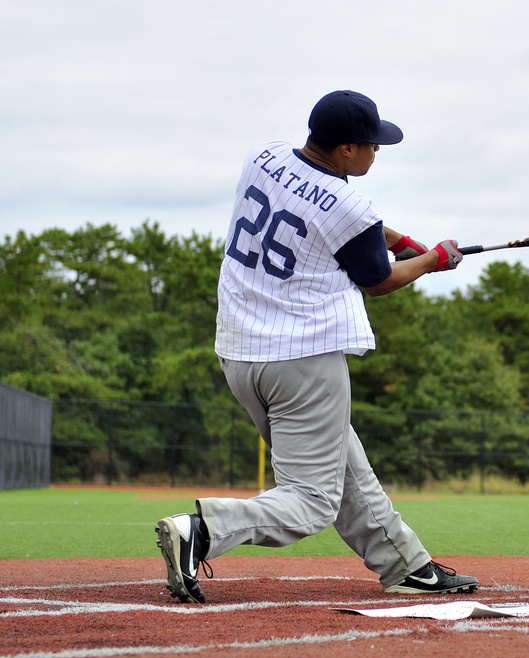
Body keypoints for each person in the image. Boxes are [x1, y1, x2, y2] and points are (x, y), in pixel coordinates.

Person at [155, 90, 478, 603]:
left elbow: (341, 222)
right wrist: (433, 258)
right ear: (346, 150)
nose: (377, 151)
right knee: (310, 502)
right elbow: (380, 281)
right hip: (302, 360)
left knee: (347, 467)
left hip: (240, 354)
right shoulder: (352, 207)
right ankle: (202, 530)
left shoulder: (265, 156)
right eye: (371, 145)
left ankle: (405, 564)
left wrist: (399, 241)